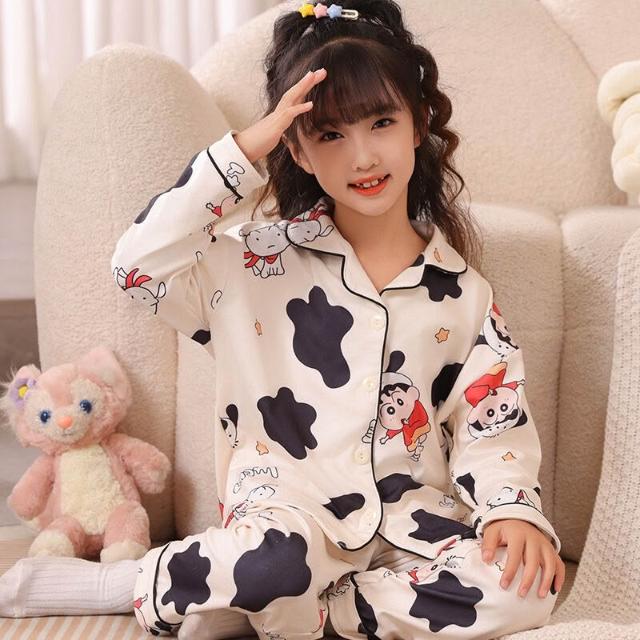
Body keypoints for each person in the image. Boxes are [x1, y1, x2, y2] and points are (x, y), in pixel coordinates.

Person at [0, 1, 566, 638]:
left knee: (528, 591)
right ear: (295, 149)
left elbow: (494, 424)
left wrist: (510, 510)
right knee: (276, 562)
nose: (362, 157)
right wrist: (245, 149)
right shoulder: (251, 264)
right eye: (329, 135)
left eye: (382, 122)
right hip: (286, 521)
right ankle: (146, 585)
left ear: (419, 123)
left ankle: (286, 608)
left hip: (411, 533)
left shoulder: (464, 295)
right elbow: (136, 267)